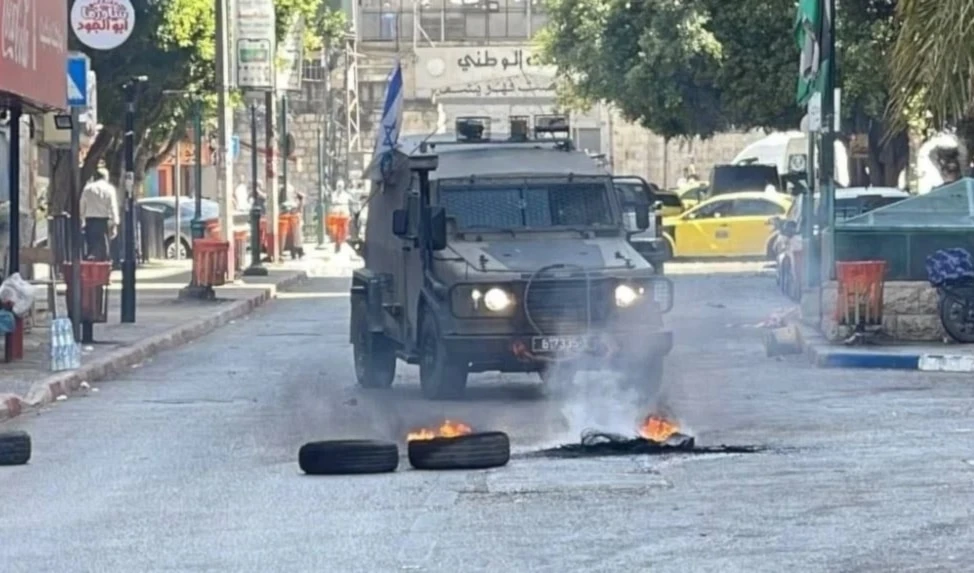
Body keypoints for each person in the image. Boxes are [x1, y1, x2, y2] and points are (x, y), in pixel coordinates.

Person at [80, 168, 119, 261]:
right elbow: (113, 206)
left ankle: (92, 265)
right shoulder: (109, 189)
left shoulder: (88, 188)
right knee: (103, 245)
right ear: (106, 177)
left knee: (91, 244)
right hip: (104, 220)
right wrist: (115, 223)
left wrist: (81, 218)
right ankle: (103, 265)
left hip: (90, 220)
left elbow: (82, 204)